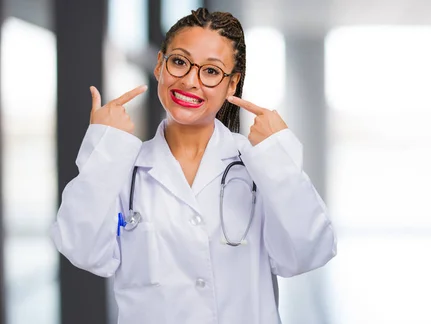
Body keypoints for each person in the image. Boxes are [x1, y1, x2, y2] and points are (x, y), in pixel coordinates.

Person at [50, 7, 337, 324]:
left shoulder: (260, 165)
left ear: (232, 84)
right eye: (179, 62)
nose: (190, 81)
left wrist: (278, 160)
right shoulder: (121, 166)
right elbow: (83, 250)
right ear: (160, 65)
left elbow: (308, 253)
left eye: (211, 71)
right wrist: (103, 150)